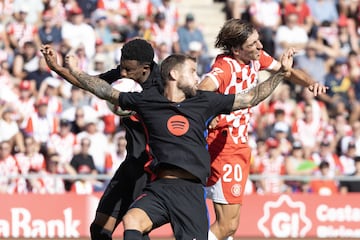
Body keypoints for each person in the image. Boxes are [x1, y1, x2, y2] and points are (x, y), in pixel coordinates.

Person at [65, 50, 293, 239]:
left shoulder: (204, 101)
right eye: (192, 72)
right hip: (160, 188)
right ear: (174, 74)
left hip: (190, 192)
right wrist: (75, 71)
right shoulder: (147, 101)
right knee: (132, 219)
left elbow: (249, 98)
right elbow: (106, 91)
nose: (197, 77)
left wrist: (280, 73)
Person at [197, 19, 327, 240]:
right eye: (253, 44)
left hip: (237, 146)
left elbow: (286, 71)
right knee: (227, 225)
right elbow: (202, 90)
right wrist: (209, 114)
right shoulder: (226, 66)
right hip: (224, 147)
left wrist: (310, 83)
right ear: (237, 49)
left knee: (229, 225)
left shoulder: (256, 58)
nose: (260, 46)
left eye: (258, 41)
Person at [40, 38, 163, 240]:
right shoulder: (124, 74)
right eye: (121, 67)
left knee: (136, 231)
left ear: (145, 69)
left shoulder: (163, 86)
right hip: (131, 164)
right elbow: (89, 83)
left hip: (150, 168)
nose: (122, 73)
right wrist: (56, 67)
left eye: (128, 69)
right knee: (99, 230)